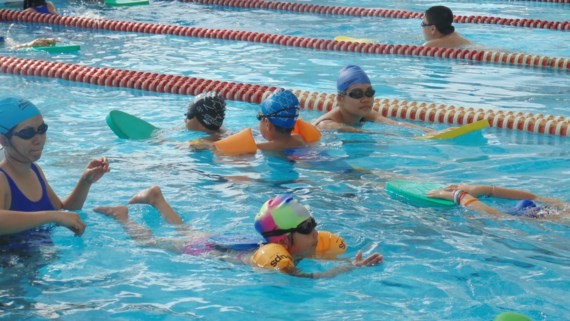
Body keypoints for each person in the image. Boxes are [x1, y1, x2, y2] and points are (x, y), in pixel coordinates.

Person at [94, 187, 383, 278]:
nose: (316, 232)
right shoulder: (280, 262)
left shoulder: (286, 247)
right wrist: (349, 268)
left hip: (231, 244)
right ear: (284, 240)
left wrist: (347, 262)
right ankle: (123, 217)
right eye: (307, 228)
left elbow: (317, 263)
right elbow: (309, 279)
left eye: (313, 223)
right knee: (150, 243)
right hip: (210, 252)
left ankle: (158, 199)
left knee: (187, 230)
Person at [0, 95, 110, 249]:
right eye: (27, 133)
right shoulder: (2, 178)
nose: (38, 139)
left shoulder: (34, 170)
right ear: (4, 140)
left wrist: (85, 182)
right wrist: (52, 216)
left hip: (37, 259)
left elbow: (63, 212)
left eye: (42, 129)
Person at [313, 65, 437, 133]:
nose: (365, 99)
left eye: (369, 93)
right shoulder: (327, 124)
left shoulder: (365, 113)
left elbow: (396, 124)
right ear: (340, 99)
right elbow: (360, 134)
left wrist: (429, 131)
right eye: (357, 94)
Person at [426, 183, 569, 219]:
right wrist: (484, 189)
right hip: (528, 212)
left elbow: (499, 218)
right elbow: (535, 198)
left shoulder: (562, 218)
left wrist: (461, 196)